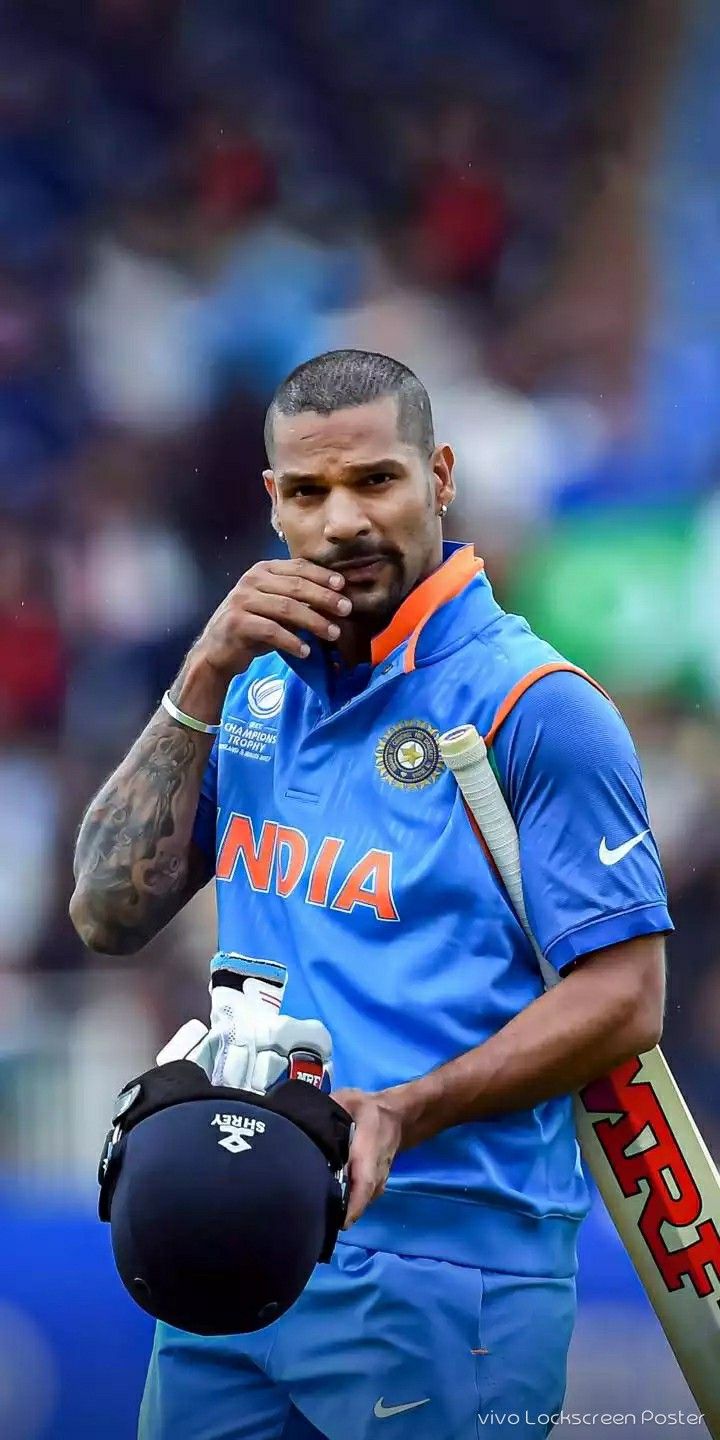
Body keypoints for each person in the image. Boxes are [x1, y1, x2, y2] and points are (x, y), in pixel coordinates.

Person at [70, 349, 671, 1440]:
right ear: (273, 505)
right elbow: (106, 914)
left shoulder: (539, 707)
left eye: (377, 481)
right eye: (310, 492)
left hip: (452, 1271)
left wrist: (406, 1108)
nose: (343, 519)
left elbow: (628, 999)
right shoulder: (249, 687)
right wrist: (200, 672)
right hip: (238, 1251)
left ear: (440, 476)